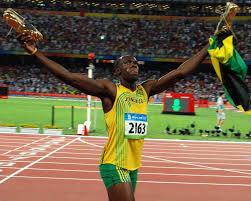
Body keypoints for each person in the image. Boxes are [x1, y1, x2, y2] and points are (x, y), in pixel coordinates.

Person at [17, 32, 209, 201]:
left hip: (133, 166)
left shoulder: (146, 89)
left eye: (135, 62)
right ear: (118, 71)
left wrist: (210, 46)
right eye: (128, 62)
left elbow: (180, 72)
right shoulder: (111, 91)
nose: (133, 65)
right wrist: (35, 52)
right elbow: (70, 77)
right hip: (114, 163)